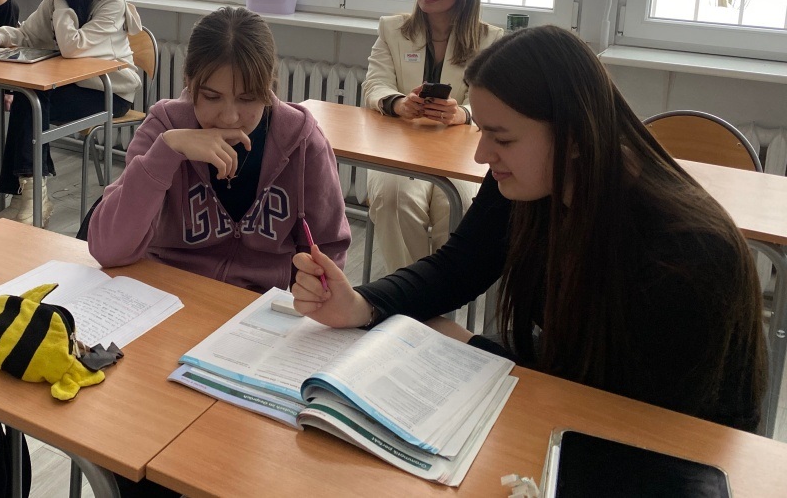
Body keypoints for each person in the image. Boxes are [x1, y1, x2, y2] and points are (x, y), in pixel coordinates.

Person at [292, 25, 768, 432]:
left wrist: (475, 350)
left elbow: (625, 415)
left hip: (663, 443)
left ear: (574, 136)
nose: (483, 155)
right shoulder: (532, 183)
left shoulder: (687, 254)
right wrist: (362, 304)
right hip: (578, 389)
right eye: (483, 131)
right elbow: (459, 266)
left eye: (502, 138)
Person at [88, 5, 350, 292]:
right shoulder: (163, 128)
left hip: (253, 303)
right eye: (212, 97)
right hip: (165, 293)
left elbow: (328, 252)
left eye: (247, 98)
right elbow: (108, 249)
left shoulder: (303, 142)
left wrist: (312, 290)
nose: (229, 117)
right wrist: (167, 150)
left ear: (268, 86)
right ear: (189, 83)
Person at [0, 0, 140, 227]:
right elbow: (28, 33)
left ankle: (30, 200)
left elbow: (73, 47)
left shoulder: (110, 2)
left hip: (110, 93)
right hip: (73, 86)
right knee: (28, 99)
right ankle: (28, 198)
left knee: (30, 105)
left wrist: (61, 2)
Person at [361, 0, 503, 274]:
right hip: (399, 145)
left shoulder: (489, 39)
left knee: (460, 206)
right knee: (394, 198)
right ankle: (408, 291)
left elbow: (495, 100)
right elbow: (374, 85)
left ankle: (445, 293)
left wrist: (463, 113)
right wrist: (398, 103)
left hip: (460, 150)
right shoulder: (392, 30)